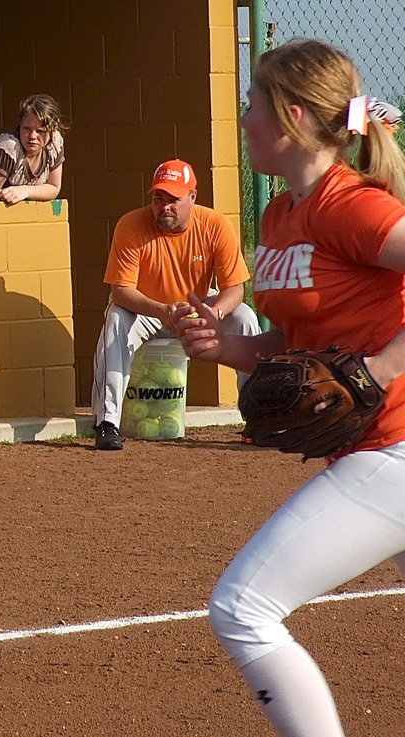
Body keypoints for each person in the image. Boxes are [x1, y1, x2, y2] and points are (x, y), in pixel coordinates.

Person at [175, 39, 405, 737]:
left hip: (396, 446)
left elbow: (368, 358)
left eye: (252, 104)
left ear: (292, 115)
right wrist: (231, 348)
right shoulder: (280, 216)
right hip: (374, 449)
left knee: (243, 607)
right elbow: (303, 343)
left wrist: (387, 366)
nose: (243, 117)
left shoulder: (350, 206)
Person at [91, 157, 260, 451]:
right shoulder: (131, 224)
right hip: (147, 309)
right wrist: (160, 310)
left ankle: (258, 418)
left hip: (197, 308)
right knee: (117, 318)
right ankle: (107, 422)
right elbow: (121, 292)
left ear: (192, 197)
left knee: (244, 317)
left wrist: (214, 312)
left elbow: (235, 289)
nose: (165, 206)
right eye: (159, 198)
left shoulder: (214, 224)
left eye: (174, 199)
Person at [0, 94, 67, 204]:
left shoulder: (55, 143)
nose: (32, 136)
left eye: (40, 131)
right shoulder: (8, 148)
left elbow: (54, 187)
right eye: (26, 129)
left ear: (53, 130)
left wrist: (25, 191)